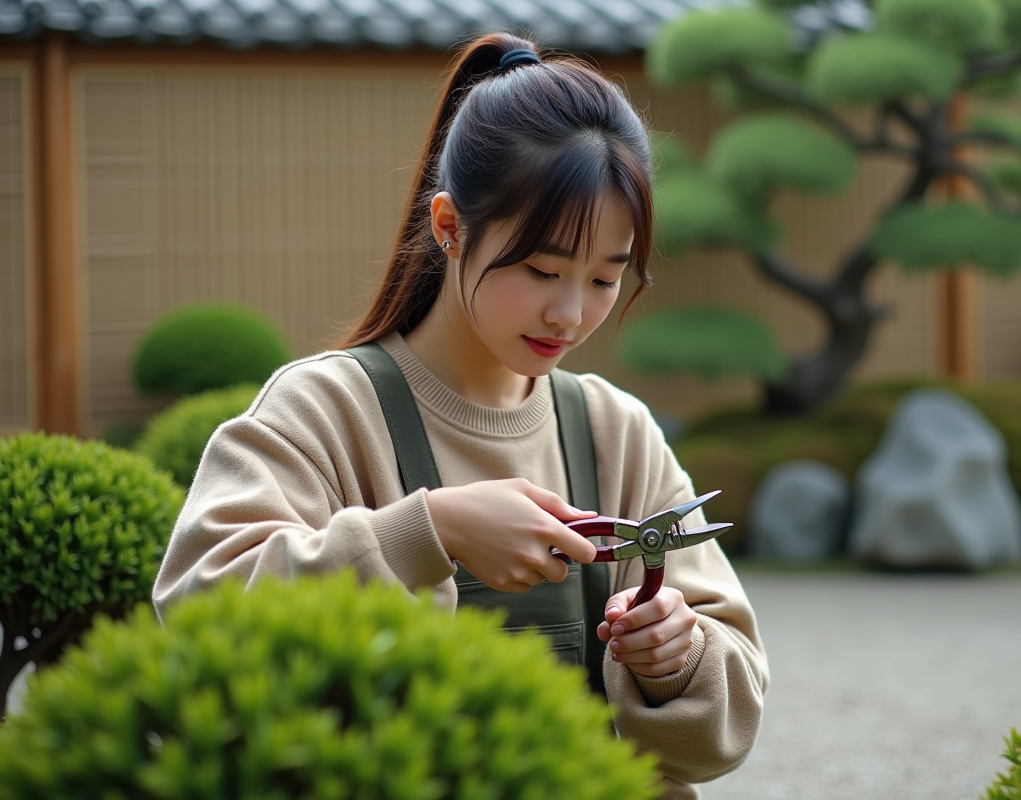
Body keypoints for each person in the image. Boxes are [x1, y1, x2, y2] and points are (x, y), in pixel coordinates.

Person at [152, 32, 767, 798]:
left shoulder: (618, 431)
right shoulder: (325, 409)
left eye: (607, 278)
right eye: (542, 270)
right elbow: (198, 606)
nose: (571, 313)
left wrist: (676, 657)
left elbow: (728, 712)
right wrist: (429, 531)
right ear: (449, 227)